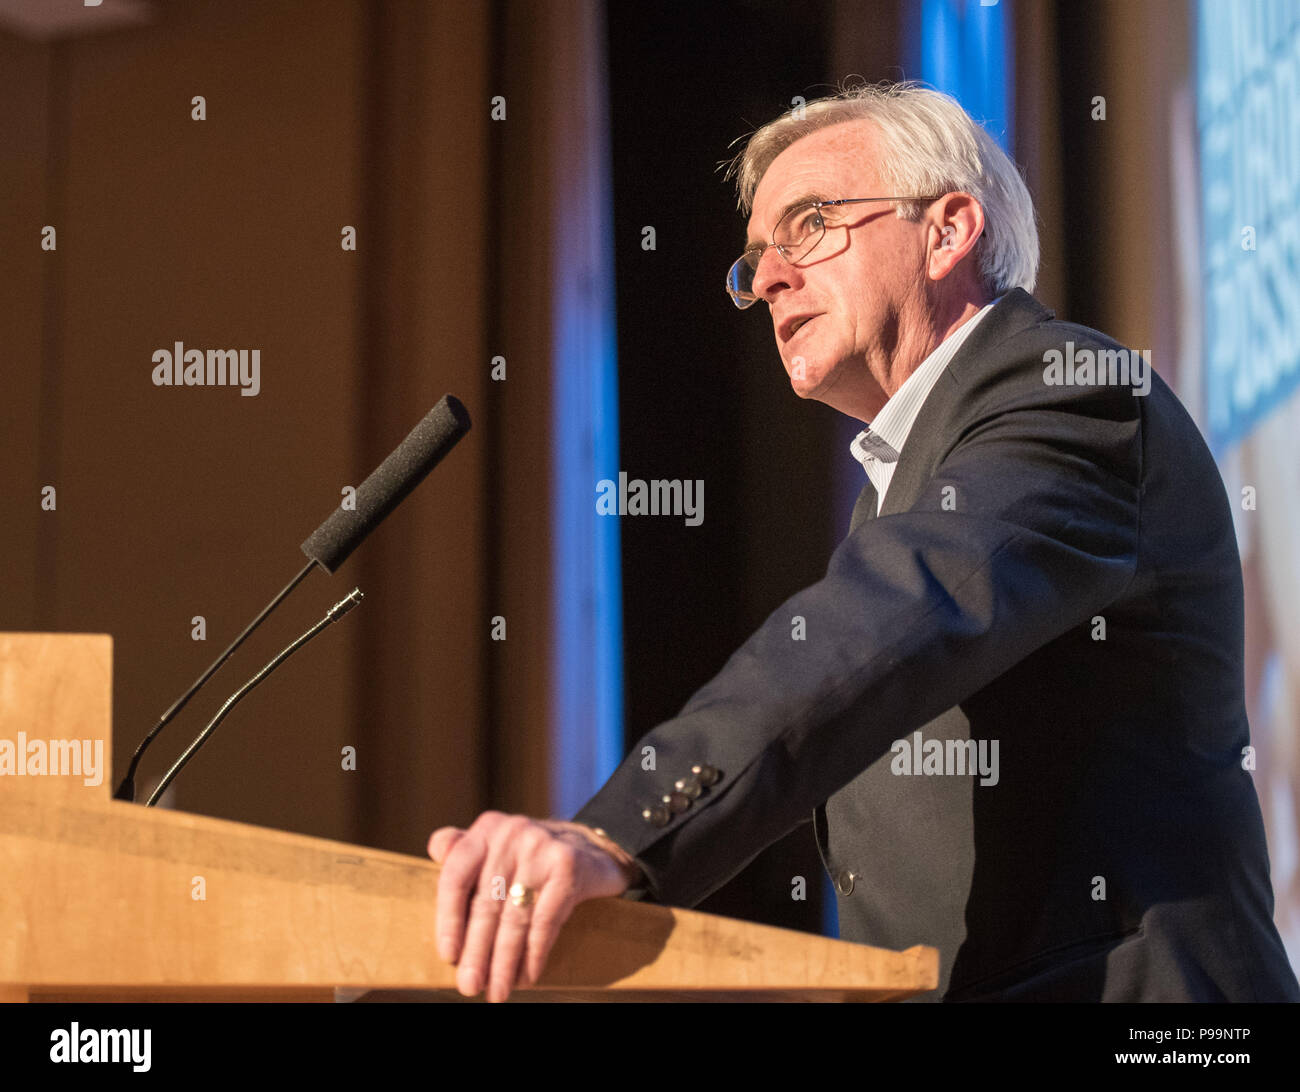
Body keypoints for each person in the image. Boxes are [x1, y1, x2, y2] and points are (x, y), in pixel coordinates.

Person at [429, 82, 1300, 1003]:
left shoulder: (1069, 395)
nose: (766, 276)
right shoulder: (902, 486)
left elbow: (878, 624)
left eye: (809, 224)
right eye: (758, 255)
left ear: (948, 229)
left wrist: (618, 833)